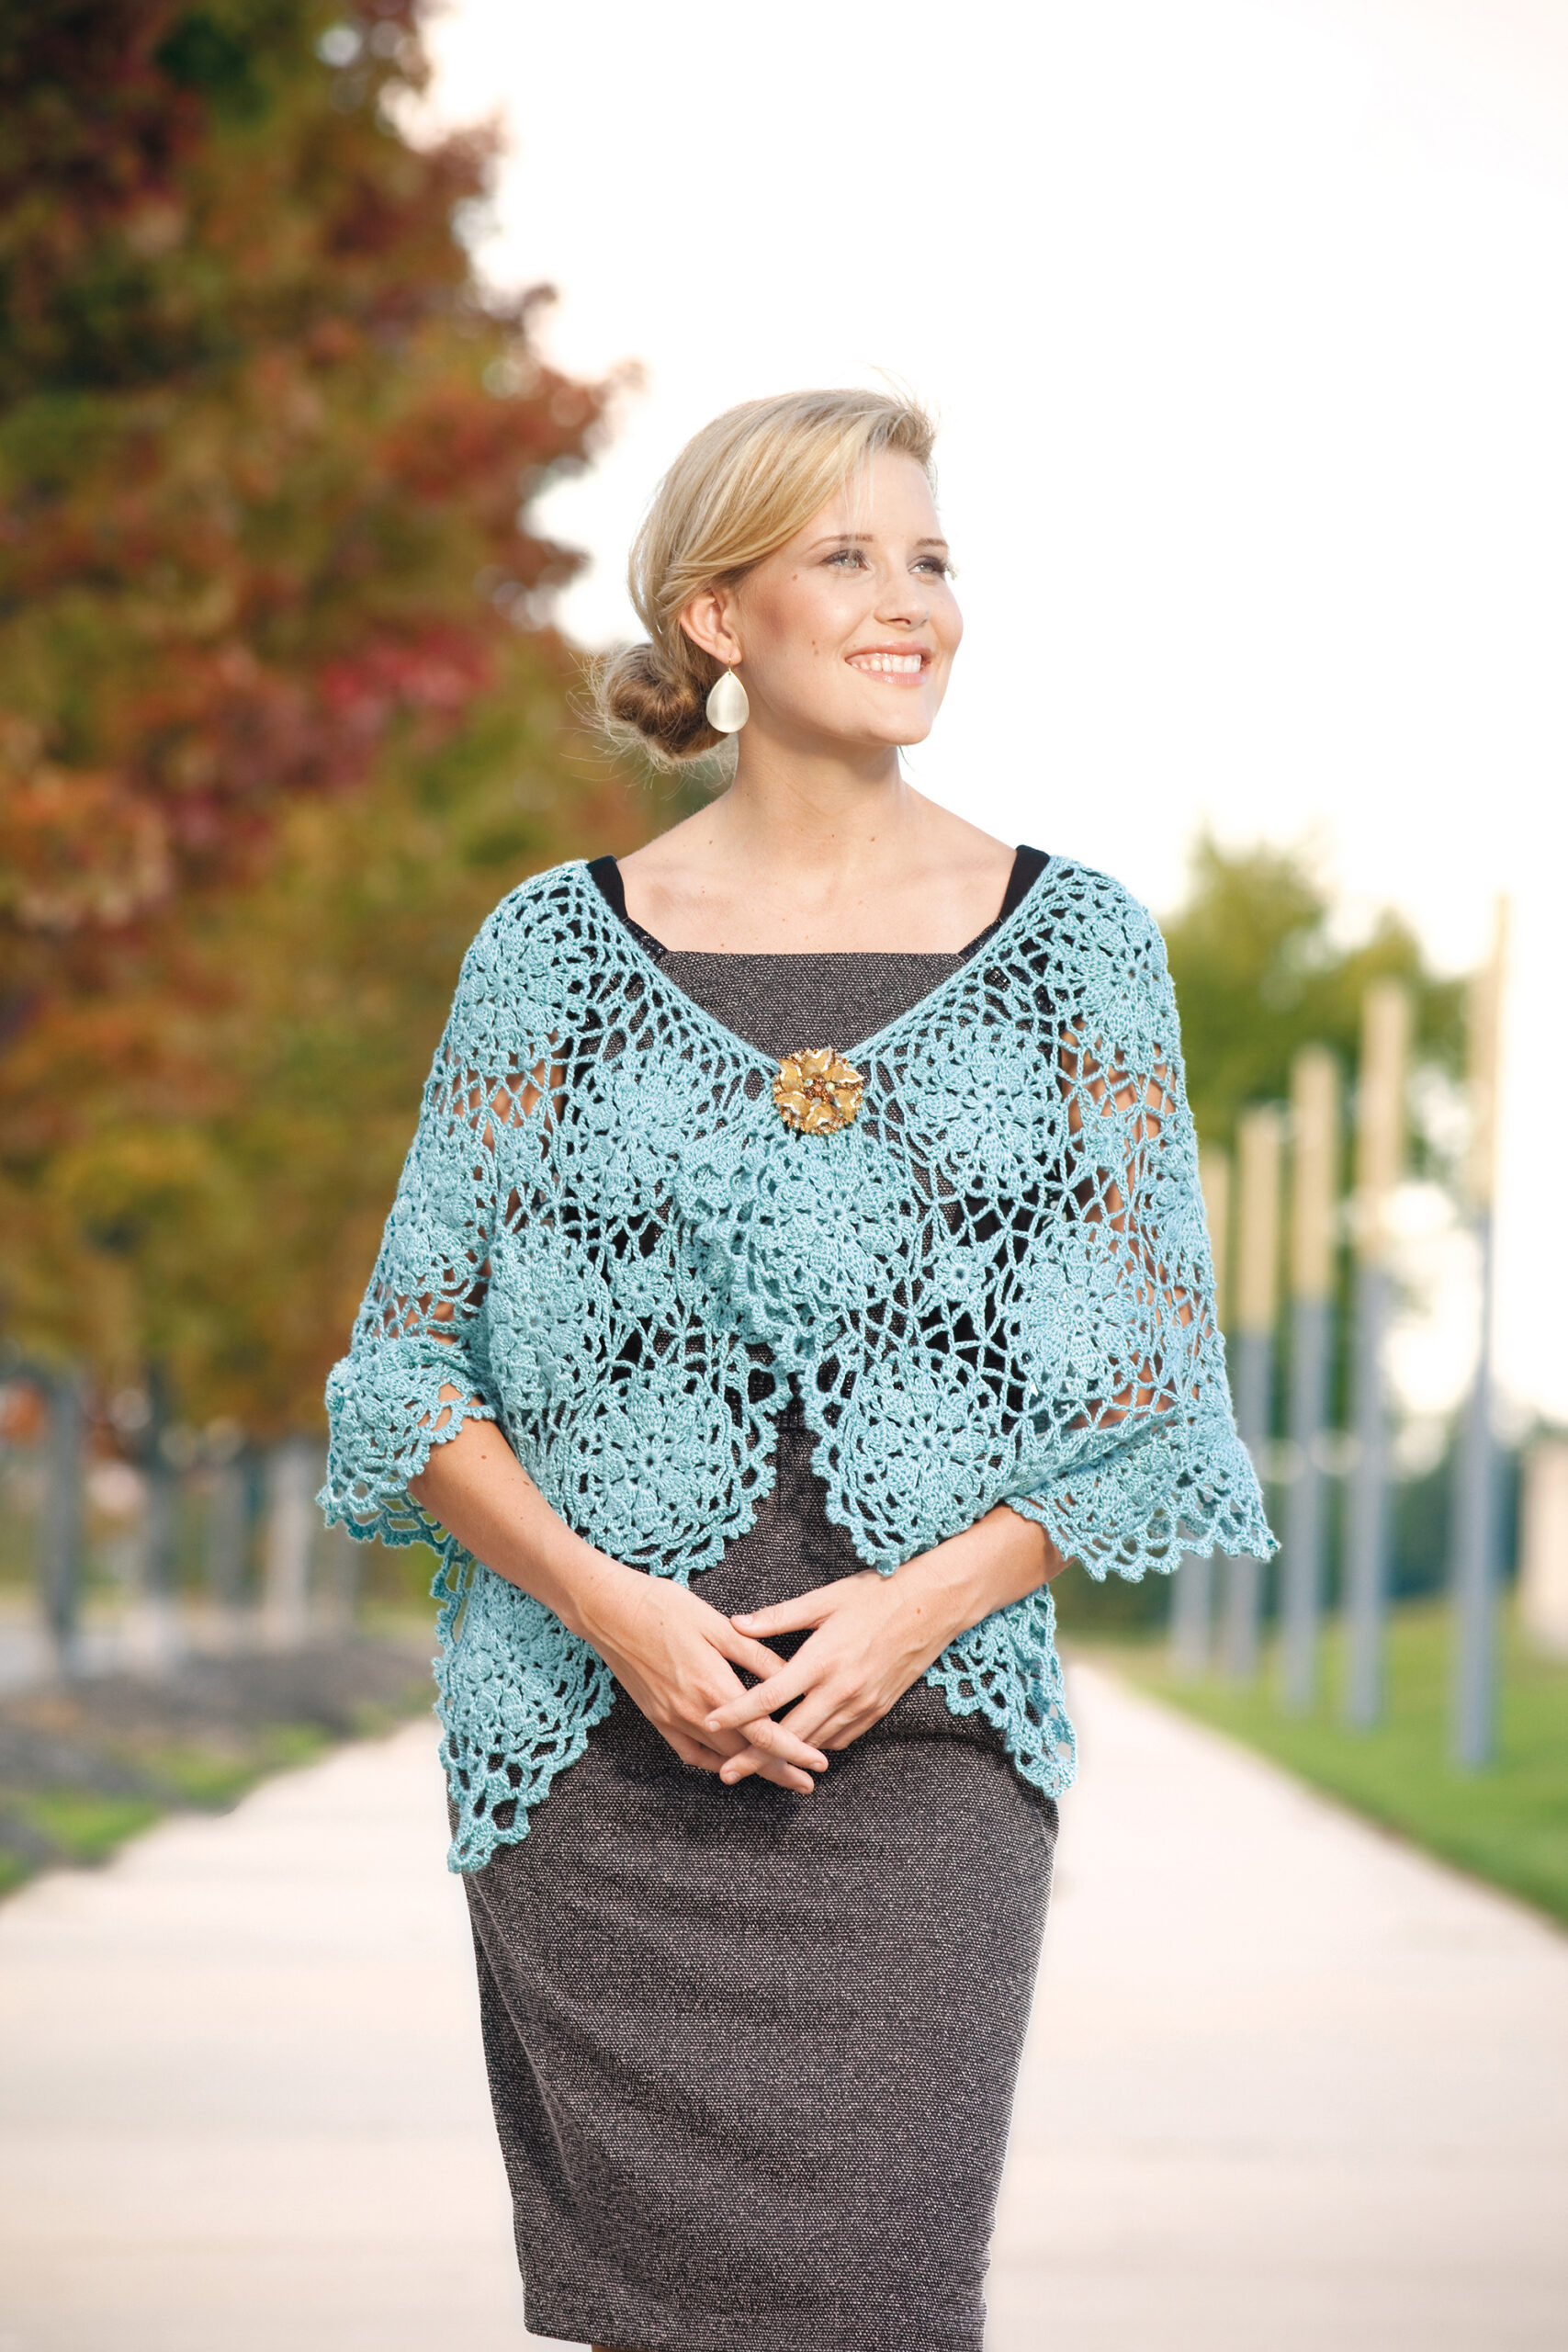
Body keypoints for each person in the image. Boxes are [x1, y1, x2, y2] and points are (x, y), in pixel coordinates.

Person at [321, 386, 1272, 2352]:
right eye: (846, 556)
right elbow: (406, 1374)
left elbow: (1151, 1400)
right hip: (597, 1764)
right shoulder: (549, 953)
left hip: (923, 1762)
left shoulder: (1082, 950)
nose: (909, 599)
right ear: (714, 616)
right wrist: (621, 1617)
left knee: (880, 2295)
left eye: (931, 558)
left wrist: (917, 1610)